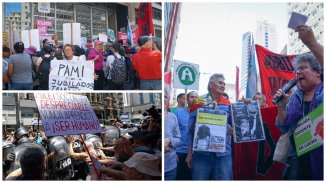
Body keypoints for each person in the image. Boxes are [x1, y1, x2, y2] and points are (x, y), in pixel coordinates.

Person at [273, 52, 323, 180]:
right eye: (297, 70)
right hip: (299, 158)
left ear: (317, 72)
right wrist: (282, 106)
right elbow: (284, 127)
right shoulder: (294, 98)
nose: (298, 72)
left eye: (303, 68)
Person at [186, 73, 233, 180]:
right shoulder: (198, 101)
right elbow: (190, 130)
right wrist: (189, 153)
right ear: (211, 85)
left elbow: (234, 125)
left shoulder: (227, 103)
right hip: (202, 154)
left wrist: (231, 129)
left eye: (224, 84)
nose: (223, 86)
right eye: (220, 83)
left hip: (223, 154)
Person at [173, 91, 198, 180]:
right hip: (180, 152)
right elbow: (172, 133)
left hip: (196, 153)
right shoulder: (178, 113)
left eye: (196, 97)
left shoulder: (202, 113)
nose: (194, 99)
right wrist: (173, 151)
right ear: (187, 99)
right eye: (192, 97)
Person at [164, 86, 182, 180]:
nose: (163, 98)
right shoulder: (153, 120)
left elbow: (179, 139)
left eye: (165, 96)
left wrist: (169, 141)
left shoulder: (173, 117)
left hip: (171, 167)